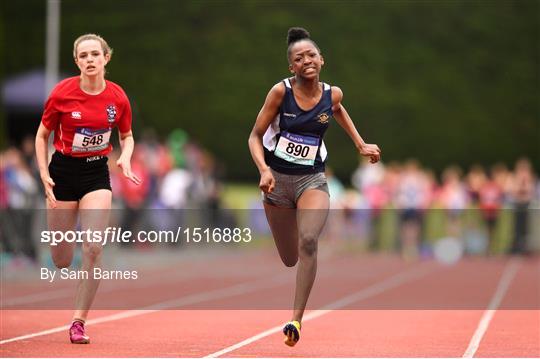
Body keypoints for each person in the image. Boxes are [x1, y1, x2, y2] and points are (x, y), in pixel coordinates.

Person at [248, 27, 381, 347]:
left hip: (312, 179)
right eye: (298, 58)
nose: (306, 60)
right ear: (291, 67)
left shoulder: (332, 94)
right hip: (277, 183)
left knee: (309, 241)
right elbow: (254, 136)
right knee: (290, 257)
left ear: (321, 60)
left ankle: (296, 319)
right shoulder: (280, 93)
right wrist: (264, 169)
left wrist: (361, 144)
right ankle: (285, 221)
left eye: (311, 55)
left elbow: (337, 110)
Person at [35, 34, 141, 344]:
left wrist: (125, 157)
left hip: (96, 172)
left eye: (96, 54)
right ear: (77, 61)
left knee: (93, 248)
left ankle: (78, 321)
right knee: (62, 259)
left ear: (106, 58)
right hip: (63, 173)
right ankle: (65, 263)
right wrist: (43, 172)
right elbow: (43, 136)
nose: (90, 59)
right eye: (84, 55)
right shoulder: (62, 94)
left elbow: (128, 135)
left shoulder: (118, 97)